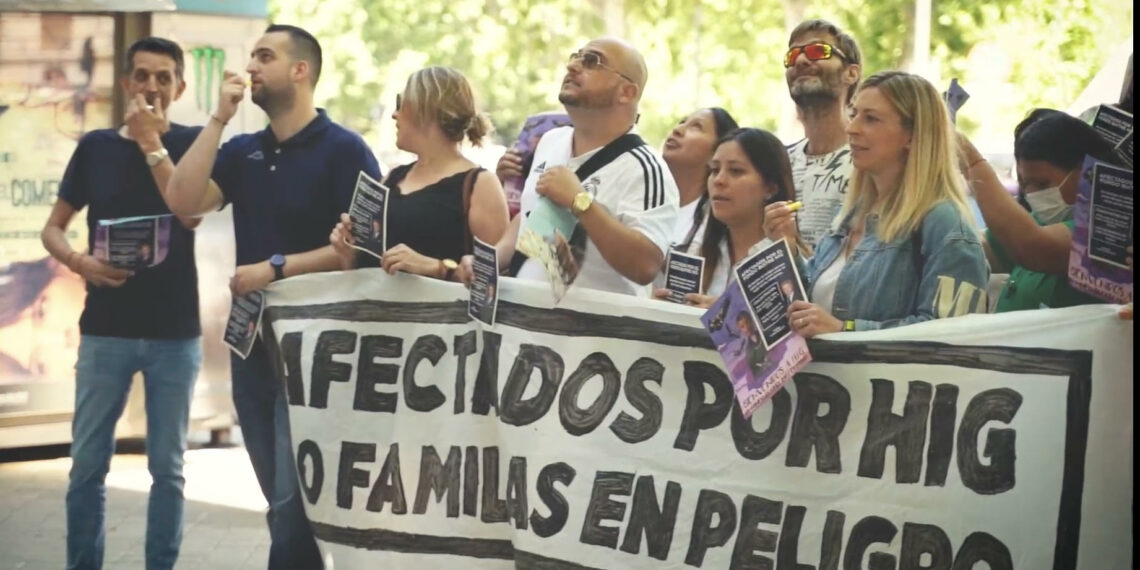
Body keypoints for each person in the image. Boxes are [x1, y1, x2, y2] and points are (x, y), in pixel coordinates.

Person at [161, 25, 381, 569]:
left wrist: (276, 269)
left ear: (300, 71)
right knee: (281, 501)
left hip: (317, 352)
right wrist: (217, 119)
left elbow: (367, 248)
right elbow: (183, 201)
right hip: (253, 346)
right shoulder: (244, 150)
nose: (252, 66)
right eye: (253, 56)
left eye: (266, 56)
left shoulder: (345, 149)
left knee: (291, 504)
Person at [40, 37, 203, 570]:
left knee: (168, 469)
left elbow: (191, 214)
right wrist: (79, 263)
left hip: (175, 334)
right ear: (126, 84)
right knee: (87, 465)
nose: (151, 86)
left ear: (179, 87)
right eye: (141, 76)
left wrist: (152, 144)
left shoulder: (194, 144)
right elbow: (53, 229)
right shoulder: (94, 147)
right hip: (105, 332)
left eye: (162, 77)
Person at [766, 71, 989, 336]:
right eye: (854, 114)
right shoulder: (849, 215)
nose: (852, 128)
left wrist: (844, 329)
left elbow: (953, 335)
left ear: (912, 135)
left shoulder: (946, 223)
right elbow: (811, 302)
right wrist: (787, 249)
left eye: (871, 119)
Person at [465, 37, 679, 296]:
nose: (573, 66)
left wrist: (580, 202)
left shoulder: (645, 168)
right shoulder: (551, 141)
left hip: (592, 334)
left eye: (592, 61)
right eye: (576, 57)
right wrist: (489, 261)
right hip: (524, 327)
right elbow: (531, 216)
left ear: (627, 92)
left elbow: (646, 264)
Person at [329, 67, 508, 278]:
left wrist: (437, 268)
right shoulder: (392, 178)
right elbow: (364, 274)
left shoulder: (479, 184)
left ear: (427, 110)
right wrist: (349, 254)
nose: (394, 115)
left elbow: (496, 283)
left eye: (400, 103)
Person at [960, 109, 1120, 312]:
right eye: (1026, 184)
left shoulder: (1110, 232)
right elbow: (979, 249)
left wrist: (972, 162)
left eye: (1042, 184)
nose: (1032, 194)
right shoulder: (1045, 220)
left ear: (1084, 173)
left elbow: (1032, 246)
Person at [654, 128, 807, 304]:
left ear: (770, 188)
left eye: (735, 171)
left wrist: (721, 317)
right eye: (714, 170)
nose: (719, 180)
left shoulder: (788, 257)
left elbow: (787, 327)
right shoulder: (698, 252)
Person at [783, 19, 862, 250]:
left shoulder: (872, 159)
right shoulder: (781, 162)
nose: (800, 60)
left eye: (818, 51)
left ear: (851, 73)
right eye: (792, 56)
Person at [661, 107, 739, 247]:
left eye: (696, 126)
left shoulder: (719, 221)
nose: (677, 129)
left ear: (717, 152)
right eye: (682, 122)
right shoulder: (644, 197)